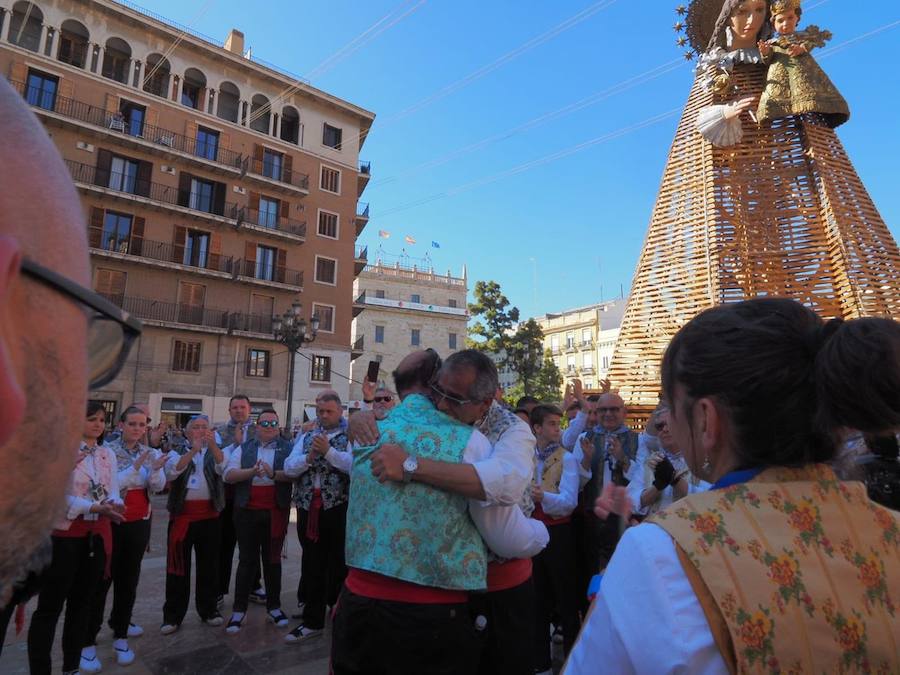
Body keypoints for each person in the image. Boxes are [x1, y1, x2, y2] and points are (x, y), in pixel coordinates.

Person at [565, 298, 900, 673]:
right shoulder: (890, 529)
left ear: (706, 420)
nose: (669, 426)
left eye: (673, 408)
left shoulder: (661, 552)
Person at [0, 79, 141, 653]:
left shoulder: (108, 454)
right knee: (54, 609)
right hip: (73, 539)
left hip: (103, 540)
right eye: (83, 333)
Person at [333, 350, 548, 675]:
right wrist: (361, 414)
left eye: (454, 399)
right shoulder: (417, 424)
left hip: (501, 587)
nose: (443, 405)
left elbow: (506, 486)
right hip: (445, 593)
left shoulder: (513, 431)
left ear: (486, 402)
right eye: (439, 393)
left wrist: (410, 465)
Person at [27, 402, 125, 675]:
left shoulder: (106, 453)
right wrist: (91, 507)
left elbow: (112, 488)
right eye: (91, 419)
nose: (97, 424)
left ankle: (71, 666)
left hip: (95, 536)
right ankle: (40, 668)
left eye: (102, 419)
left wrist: (115, 504)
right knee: (50, 607)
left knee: (82, 604)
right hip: (65, 536)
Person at [86, 406, 166, 666]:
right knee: (101, 580)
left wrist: (155, 470)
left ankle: (120, 631)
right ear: (121, 425)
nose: (137, 429)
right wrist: (136, 468)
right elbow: (109, 487)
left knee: (129, 580)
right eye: (132, 423)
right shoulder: (107, 451)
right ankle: (88, 638)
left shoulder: (149, 451)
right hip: (111, 523)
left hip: (138, 524)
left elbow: (158, 486)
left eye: (142, 425)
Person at [283, 393, 352, 642]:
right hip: (307, 506)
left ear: (340, 411)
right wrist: (309, 458)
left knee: (338, 562)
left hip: (337, 507)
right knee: (312, 561)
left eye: (329, 411)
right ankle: (313, 617)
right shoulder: (305, 436)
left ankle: (336, 607)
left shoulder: (350, 437)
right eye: (320, 411)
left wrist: (329, 452)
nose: (323, 416)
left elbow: (355, 466)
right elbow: (289, 467)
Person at [223, 409, 293, 633]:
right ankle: (238, 610)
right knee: (247, 561)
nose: (269, 426)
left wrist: (273, 474)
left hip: (275, 512)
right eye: (264, 423)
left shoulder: (288, 448)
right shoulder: (244, 448)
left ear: (278, 426)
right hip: (247, 512)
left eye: (273, 422)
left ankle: (274, 607)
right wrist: (251, 471)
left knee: (273, 561)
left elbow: (294, 474)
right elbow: (229, 475)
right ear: (257, 426)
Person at [162, 414, 227, 634]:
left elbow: (223, 468)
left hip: (209, 517)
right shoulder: (175, 452)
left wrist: (212, 446)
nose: (200, 430)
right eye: (196, 427)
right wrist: (193, 451)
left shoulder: (215, 451)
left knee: (209, 566)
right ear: (187, 432)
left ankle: (208, 610)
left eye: (204, 427)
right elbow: (171, 473)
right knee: (177, 567)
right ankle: (172, 615)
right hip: (183, 517)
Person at [529, 405, 580, 674]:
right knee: (537, 600)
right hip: (531, 532)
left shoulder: (567, 458)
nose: (557, 429)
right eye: (551, 424)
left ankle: (573, 663)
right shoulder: (527, 456)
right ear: (537, 428)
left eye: (557, 424)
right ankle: (541, 664)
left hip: (558, 533)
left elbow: (570, 502)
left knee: (566, 599)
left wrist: (543, 498)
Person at [568, 393, 640, 574]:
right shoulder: (584, 438)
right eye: (603, 410)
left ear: (624, 412)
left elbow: (641, 479)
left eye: (614, 409)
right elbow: (575, 483)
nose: (608, 414)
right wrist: (586, 460)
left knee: (627, 570)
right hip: (593, 519)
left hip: (625, 520)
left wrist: (621, 457)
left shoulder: (638, 439)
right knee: (594, 571)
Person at [756, 0, 849, 127]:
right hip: (779, 75)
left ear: (797, 18)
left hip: (803, 71)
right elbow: (767, 59)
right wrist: (765, 52)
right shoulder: (772, 42)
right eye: (780, 20)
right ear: (774, 23)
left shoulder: (801, 36)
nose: (785, 23)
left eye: (790, 18)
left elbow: (814, 40)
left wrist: (802, 48)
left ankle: (813, 118)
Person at [214, 394, 265, 607]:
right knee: (224, 546)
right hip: (225, 498)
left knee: (251, 546)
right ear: (229, 410)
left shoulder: (259, 431)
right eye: (234, 407)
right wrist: (235, 445)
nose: (238, 411)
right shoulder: (219, 432)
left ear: (249, 409)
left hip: (249, 497)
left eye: (242, 407)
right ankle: (218, 589)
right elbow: (215, 462)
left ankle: (253, 586)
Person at [627, 406, 711, 518]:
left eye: (670, 424)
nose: (665, 429)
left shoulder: (703, 460)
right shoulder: (651, 462)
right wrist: (657, 487)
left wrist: (676, 481)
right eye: (660, 426)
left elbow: (712, 498)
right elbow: (630, 501)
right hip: (656, 531)